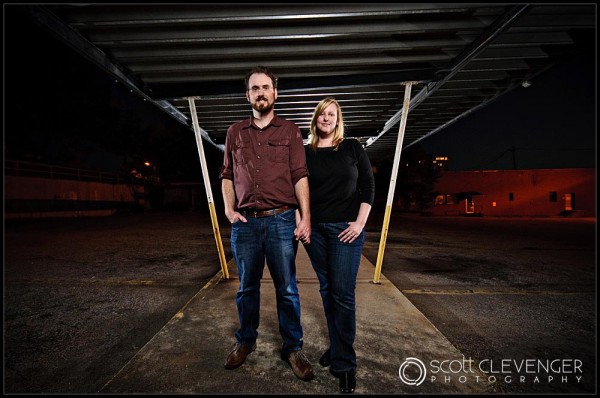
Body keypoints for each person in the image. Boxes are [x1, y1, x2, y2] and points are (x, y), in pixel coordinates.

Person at [219, 65, 314, 381]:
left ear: (275, 92)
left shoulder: (290, 132)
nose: (260, 92)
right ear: (248, 95)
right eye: (254, 88)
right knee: (246, 288)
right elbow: (227, 175)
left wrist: (306, 217)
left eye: (265, 87)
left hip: (281, 221)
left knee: (286, 288)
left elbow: (300, 176)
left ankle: (293, 349)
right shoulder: (235, 132)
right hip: (245, 224)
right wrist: (229, 211)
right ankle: (245, 341)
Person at [303, 97, 375, 393]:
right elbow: (296, 189)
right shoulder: (304, 152)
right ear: (316, 118)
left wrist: (359, 224)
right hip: (315, 231)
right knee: (327, 290)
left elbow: (368, 186)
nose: (327, 118)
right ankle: (336, 347)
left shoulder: (352, 147)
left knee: (342, 294)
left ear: (338, 119)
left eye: (332, 114)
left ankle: (344, 363)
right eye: (322, 113)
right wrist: (302, 221)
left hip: (346, 229)